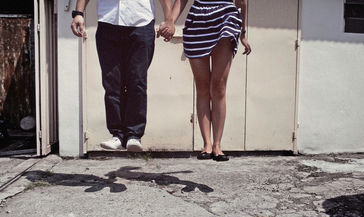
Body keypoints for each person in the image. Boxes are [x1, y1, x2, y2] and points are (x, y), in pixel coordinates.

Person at [71, 0, 175, 152]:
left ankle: (134, 134)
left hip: (141, 22)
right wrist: (78, 13)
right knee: (112, 83)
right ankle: (118, 135)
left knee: (137, 81)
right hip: (109, 22)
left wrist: (169, 20)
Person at [161, 0, 251, 161]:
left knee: (219, 87)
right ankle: (207, 144)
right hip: (198, 21)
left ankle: (217, 145)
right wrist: (170, 22)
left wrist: (242, 32)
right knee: (202, 87)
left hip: (225, 17)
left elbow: (241, 2)